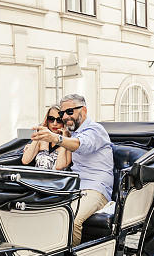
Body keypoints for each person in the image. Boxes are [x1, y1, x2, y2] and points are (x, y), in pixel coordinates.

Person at [31, 94, 113, 246]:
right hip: (73, 188)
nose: (65, 117)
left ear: (83, 111)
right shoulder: (73, 133)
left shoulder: (95, 130)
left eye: (70, 112)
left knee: (71, 219)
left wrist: (56, 138)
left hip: (95, 189)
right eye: (63, 113)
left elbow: (82, 145)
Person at [22, 105, 71, 170]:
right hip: (38, 176)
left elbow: (59, 166)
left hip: (57, 177)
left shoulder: (69, 143)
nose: (55, 124)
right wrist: (40, 132)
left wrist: (64, 138)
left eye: (59, 120)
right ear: (46, 120)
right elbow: (25, 160)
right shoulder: (41, 140)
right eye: (51, 119)